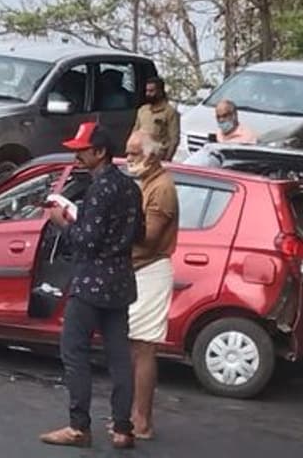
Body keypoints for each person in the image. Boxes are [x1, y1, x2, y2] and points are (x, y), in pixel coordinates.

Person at [40, 122, 143, 450]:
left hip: (91, 282)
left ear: (100, 152)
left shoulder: (100, 189)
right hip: (120, 282)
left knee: (74, 352)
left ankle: (78, 426)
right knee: (120, 358)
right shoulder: (131, 188)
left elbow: (86, 241)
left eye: (82, 151)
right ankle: (123, 428)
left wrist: (62, 224)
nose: (78, 156)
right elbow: (139, 234)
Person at [123, 131, 178, 441]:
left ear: (152, 155)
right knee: (135, 347)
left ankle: (141, 420)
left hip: (150, 272)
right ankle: (133, 416)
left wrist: (113, 244)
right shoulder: (148, 183)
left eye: (133, 153)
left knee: (143, 347)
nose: (128, 158)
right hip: (140, 271)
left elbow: (149, 239)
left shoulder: (162, 187)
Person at [134, 77, 180, 159]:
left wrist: (167, 159)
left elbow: (174, 139)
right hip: (140, 155)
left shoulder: (170, 112)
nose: (148, 94)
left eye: (151, 91)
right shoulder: (142, 110)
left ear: (160, 92)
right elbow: (135, 133)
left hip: (157, 157)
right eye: (147, 91)